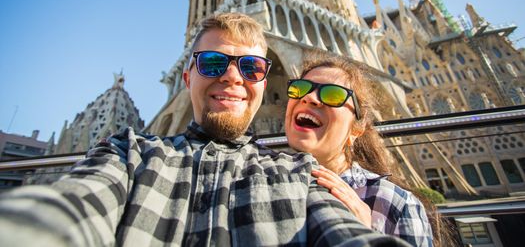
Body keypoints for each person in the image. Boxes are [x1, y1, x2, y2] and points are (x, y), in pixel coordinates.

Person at [0, 13, 410, 246]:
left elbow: (345, 237)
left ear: (266, 83)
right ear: (187, 77)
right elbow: (69, 210)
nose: (232, 77)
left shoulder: (296, 173)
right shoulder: (130, 155)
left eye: (250, 67)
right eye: (214, 64)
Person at [285, 52, 449, 247]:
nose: (309, 97)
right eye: (300, 88)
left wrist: (363, 235)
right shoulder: (265, 184)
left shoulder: (393, 204)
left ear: (356, 129)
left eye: (333, 95)